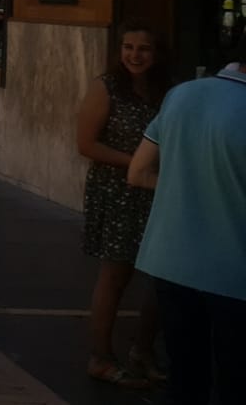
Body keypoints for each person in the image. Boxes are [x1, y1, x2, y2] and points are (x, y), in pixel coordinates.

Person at [127, 56, 246, 404]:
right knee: (236, 381)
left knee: (184, 377)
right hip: (234, 270)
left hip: (170, 261)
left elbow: (138, 172)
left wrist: (188, 187)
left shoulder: (181, 95)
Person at [77, 21, 167, 388]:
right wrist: (135, 163)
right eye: (128, 47)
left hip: (157, 190)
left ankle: (142, 350)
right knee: (115, 276)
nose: (134, 55)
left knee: (164, 275)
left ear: (157, 53)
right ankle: (101, 356)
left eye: (143, 48)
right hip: (116, 192)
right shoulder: (107, 87)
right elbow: (86, 144)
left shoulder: (166, 91)